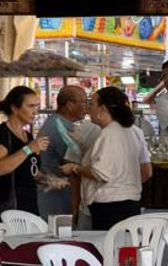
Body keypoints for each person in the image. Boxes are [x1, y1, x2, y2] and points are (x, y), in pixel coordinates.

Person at [61, 86, 148, 231]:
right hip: (130, 203)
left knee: (108, 249)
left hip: (110, 206)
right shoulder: (130, 131)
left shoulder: (109, 134)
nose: (89, 109)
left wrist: (75, 168)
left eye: (92, 104)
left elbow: (100, 173)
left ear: (103, 109)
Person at [0, 86, 50, 222]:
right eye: (31, 106)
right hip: (8, 208)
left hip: (28, 206)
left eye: (37, 106)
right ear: (14, 108)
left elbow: (30, 171)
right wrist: (28, 149)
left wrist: (48, 180)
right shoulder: (2, 134)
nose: (35, 111)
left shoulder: (28, 136)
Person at [36, 86, 89, 218]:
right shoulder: (59, 128)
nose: (86, 107)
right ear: (70, 105)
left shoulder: (60, 124)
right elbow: (73, 164)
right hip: (55, 198)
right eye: (83, 102)